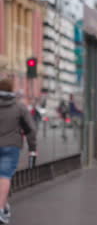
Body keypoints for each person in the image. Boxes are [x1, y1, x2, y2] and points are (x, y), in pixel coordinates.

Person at [0, 78, 37, 224]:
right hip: (11, 147)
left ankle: (3, 206)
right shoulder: (19, 107)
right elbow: (30, 129)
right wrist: (32, 149)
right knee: (4, 177)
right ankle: (1, 209)